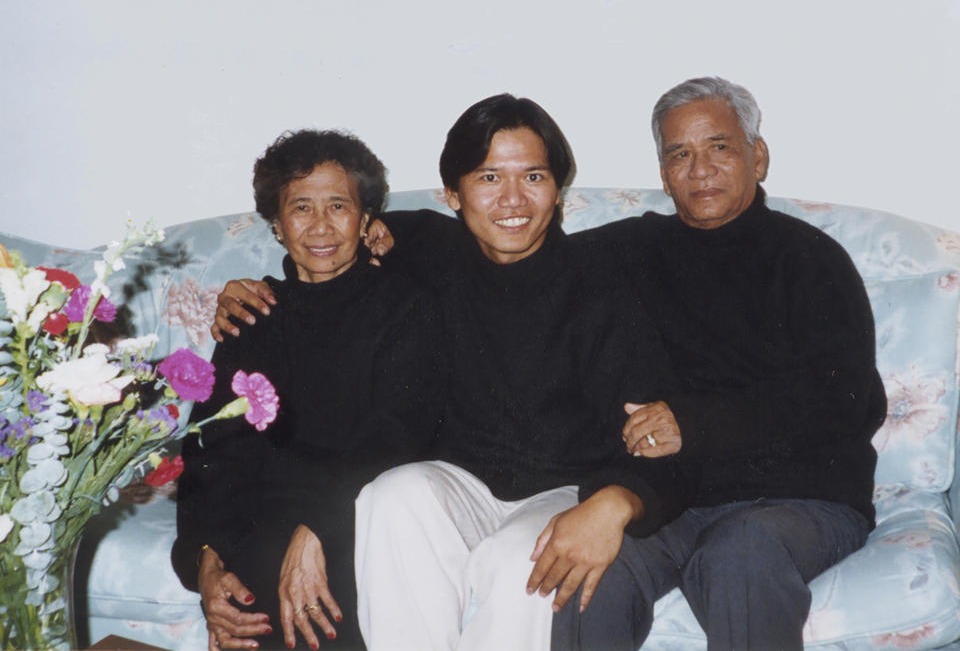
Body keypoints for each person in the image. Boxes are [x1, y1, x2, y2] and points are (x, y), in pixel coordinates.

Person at [212, 94, 695, 651]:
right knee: (390, 496)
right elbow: (331, 237)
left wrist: (617, 503)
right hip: (460, 483)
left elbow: (663, 437)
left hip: (565, 489)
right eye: (489, 176)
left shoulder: (603, 287)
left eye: (533, 176)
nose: (512, 199)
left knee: (522, 563)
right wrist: (250, 291)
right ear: (453, 195)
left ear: (558, 192)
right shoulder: (432, 256)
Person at [550, 77, 887, 651]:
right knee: (592, 566)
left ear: (758, 156)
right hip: (674, 502)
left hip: (802, 501)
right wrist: (389, 234)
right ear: (662, 173)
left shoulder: (808, 258)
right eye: (679, 153)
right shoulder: (628, 252)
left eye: (719, 147)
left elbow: (850, 398)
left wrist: (696, 423)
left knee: (739, 550)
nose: (698, 168)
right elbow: (519, 254)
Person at [172, 129, 443, 651]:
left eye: (338, 206)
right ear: (276, 225)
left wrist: (317, 528)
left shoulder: (406, 306)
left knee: (321, 595)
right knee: (247, 594)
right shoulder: (253, 312)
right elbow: (212, 449)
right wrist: (205, 558)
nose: (320, 226)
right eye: (301, 208)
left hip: (362, 512)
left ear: (365, 220)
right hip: (266, 525)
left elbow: (397, 436)